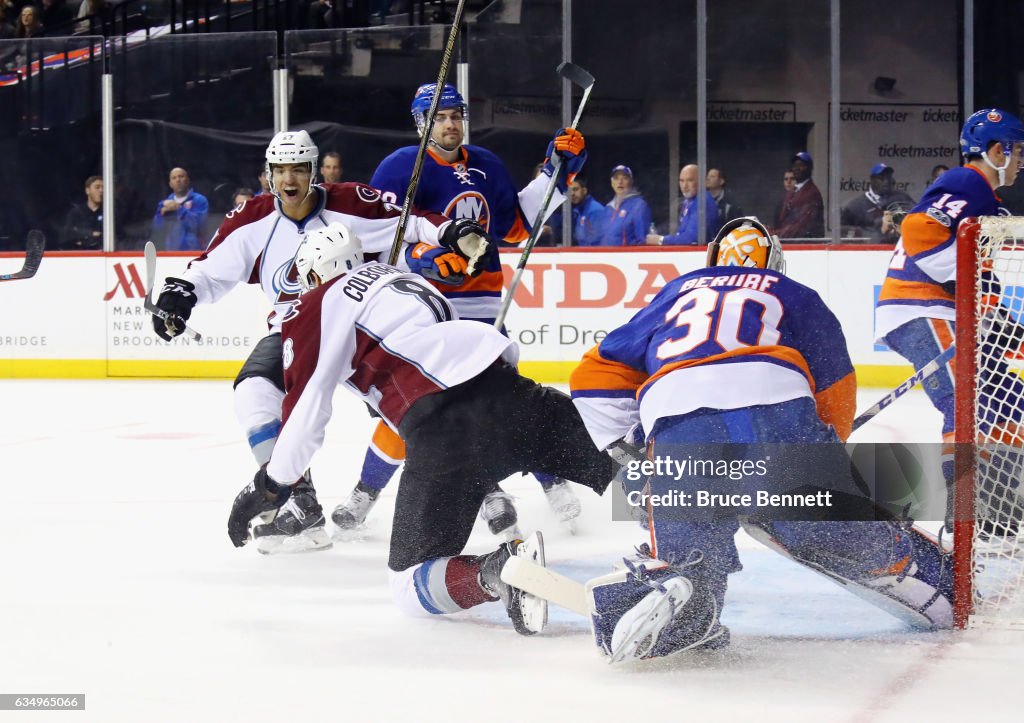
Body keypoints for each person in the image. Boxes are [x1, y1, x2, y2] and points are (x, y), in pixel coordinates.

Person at [568, 217, 953, 662]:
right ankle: (900, 557)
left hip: (675, 420)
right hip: (773, 408)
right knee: (813, 520)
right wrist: (827, 452)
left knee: (692, 550)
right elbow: (835, 383)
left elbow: (591, 377)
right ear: (775, 262)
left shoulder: (674, 294)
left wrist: (632, 452)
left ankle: (687, 602)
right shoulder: (793, 294)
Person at [226, 223, 619, 634]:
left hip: (444, 431)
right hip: (515, 391)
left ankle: (498, 572)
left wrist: (270, 485)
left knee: (409, 587)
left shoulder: (315, 303)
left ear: (313, 274)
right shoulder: (405, 278)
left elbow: (306, 415)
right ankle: (678, 534)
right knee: (636, 474)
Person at [149, 130, 474, 554]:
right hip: (292, 328)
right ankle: (300, 503)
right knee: (254, 393)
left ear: (313, 172)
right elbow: (209, 269)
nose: (290, 179)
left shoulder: (352, 202)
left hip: (361, 328)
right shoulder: (251, 218)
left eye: (299, 169)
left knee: (418, 411)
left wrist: (452, 231)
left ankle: (487, 490)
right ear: (268, 174)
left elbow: (411, 223)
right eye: (281, 170)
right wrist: (181, 294)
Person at [330, 82, 589, 536]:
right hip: (423, 303)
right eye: (440, 117)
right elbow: (376, 240)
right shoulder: (398, 169)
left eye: (456, 115)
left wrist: (555, 174)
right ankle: (369, 493)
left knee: (498, 395)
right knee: (418, 404)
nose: (451, 124)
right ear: (421, 123)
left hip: (484, 297)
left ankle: (545, 482)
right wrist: (420, 259)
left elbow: (516, 227)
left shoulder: (486, 164)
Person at [875, 108, 1024, 531]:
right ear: (998, 150)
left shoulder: (985, 199)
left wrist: (1000, 317)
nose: (1022, 161)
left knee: (1008, 396)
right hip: (919, 307)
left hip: (939, 310)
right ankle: (964, 511)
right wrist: (956, 275)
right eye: (1019, 151)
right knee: (966, 403)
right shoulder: (966, 181)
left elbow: (978, 272)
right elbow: (919, 230)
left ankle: (997, 505)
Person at [840, 163, 915, 243]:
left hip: (898, 248)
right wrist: (878, 228)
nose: (886, 181)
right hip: (869, 250)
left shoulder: (902, 198)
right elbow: (843, 233)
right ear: (872, 180)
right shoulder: (855, 206)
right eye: (882, 178)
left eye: (888, 178)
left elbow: (916, 217)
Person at [646, 164, 719, 246]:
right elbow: (677, 229)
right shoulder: (689, 201)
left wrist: (661, 240)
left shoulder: (703, 201)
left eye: (690, 180)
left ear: (701, 181)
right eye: (681, 180)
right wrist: (657, 232)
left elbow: (691, 240)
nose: (684, 186)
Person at [151, 167, 209, 251]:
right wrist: (160, 213)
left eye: (181, 176)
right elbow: (157, 229)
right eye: (174, 178)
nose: (178, 180)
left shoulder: (199, 200)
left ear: (188, 180)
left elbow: (199, 225)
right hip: (172, 252)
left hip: (194, 252)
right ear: (170, 184)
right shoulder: (166, 203)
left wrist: (179, 209)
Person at [546, 176, 610, 246]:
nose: (572, 194)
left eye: (575, 189)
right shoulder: (578, 210)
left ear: (584, 191)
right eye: (569, 190)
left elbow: (598, 241)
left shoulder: (595, 211)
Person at [774, 151, 824, 239]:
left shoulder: (812, 194)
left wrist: (774, 234)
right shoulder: (792, 191)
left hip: (805, 246)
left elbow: (801, 227)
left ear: (809, 168)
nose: (796, 168)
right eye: (794, 165)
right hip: (787, 243)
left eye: (801, 165)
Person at [602, 165, 651, 246]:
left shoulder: (639, 205)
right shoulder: (608, 208)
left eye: (624, 178)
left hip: (626, 257)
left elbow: (642, 240)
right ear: (612, 182)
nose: (620, 182)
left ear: (631, 181)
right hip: (605, 257)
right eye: (616, 178)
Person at [62, 175, 103, 250]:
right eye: (97, 187)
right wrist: (90, 234)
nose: (101, 190)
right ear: (87, 190)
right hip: (80, 255)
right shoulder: (76, 213)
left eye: (103, 188)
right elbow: (66, 235)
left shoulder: (108, 214)